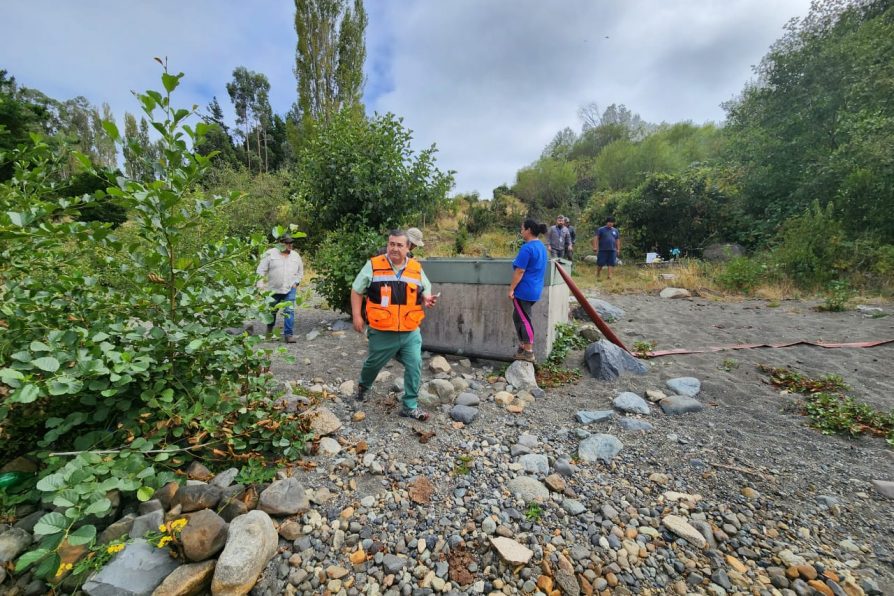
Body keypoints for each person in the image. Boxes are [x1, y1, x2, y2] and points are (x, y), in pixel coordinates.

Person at [351, 229, 439, 421]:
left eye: (400, 245)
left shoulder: (416, 267)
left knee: (415, 364)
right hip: (382, 330)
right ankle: (362, 388)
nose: (395, 248)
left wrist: (427, 298)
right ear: (388, 244)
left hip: (410, 330)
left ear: (408, 248)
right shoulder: (373, 265)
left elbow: (425, 288)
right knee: (373, 364)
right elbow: (357, 290)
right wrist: (357, 315)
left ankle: (410, 406)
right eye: (392, 244)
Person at [508, 218, 549, 362]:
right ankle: (523, 346)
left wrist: (511, 289)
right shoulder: (541, 247)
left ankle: (529, 351)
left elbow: (520, 271)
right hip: (534, 289)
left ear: (529, 230)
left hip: (524, 290)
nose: (521, 232)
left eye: (522, 229)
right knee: (517, 316)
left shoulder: (527, 248)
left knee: (525, 319)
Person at [256, 233, 304, 342]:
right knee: (272, 311)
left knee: (289, 310)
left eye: (291, 242)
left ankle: (288, 335)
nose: (290, 245)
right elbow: (261, 270)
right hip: (273, 289)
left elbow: (300, 272)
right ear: (280, 243)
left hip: (290, 288)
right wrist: (260, 285)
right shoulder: (270, 254)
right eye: (287, 243)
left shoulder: (296, 256)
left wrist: (296, 282)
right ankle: (269, 329)